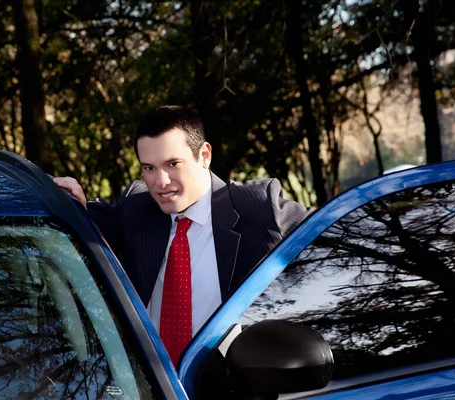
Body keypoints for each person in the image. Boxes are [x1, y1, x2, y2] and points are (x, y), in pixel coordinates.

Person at [54, 105, 309, 365]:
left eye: (173, 164)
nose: (160, 182)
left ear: (204, 156)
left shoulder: (258, 208)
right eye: (149, 168)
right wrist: (67, 195)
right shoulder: (135, 209)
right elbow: (80, 215)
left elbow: (337, 233)